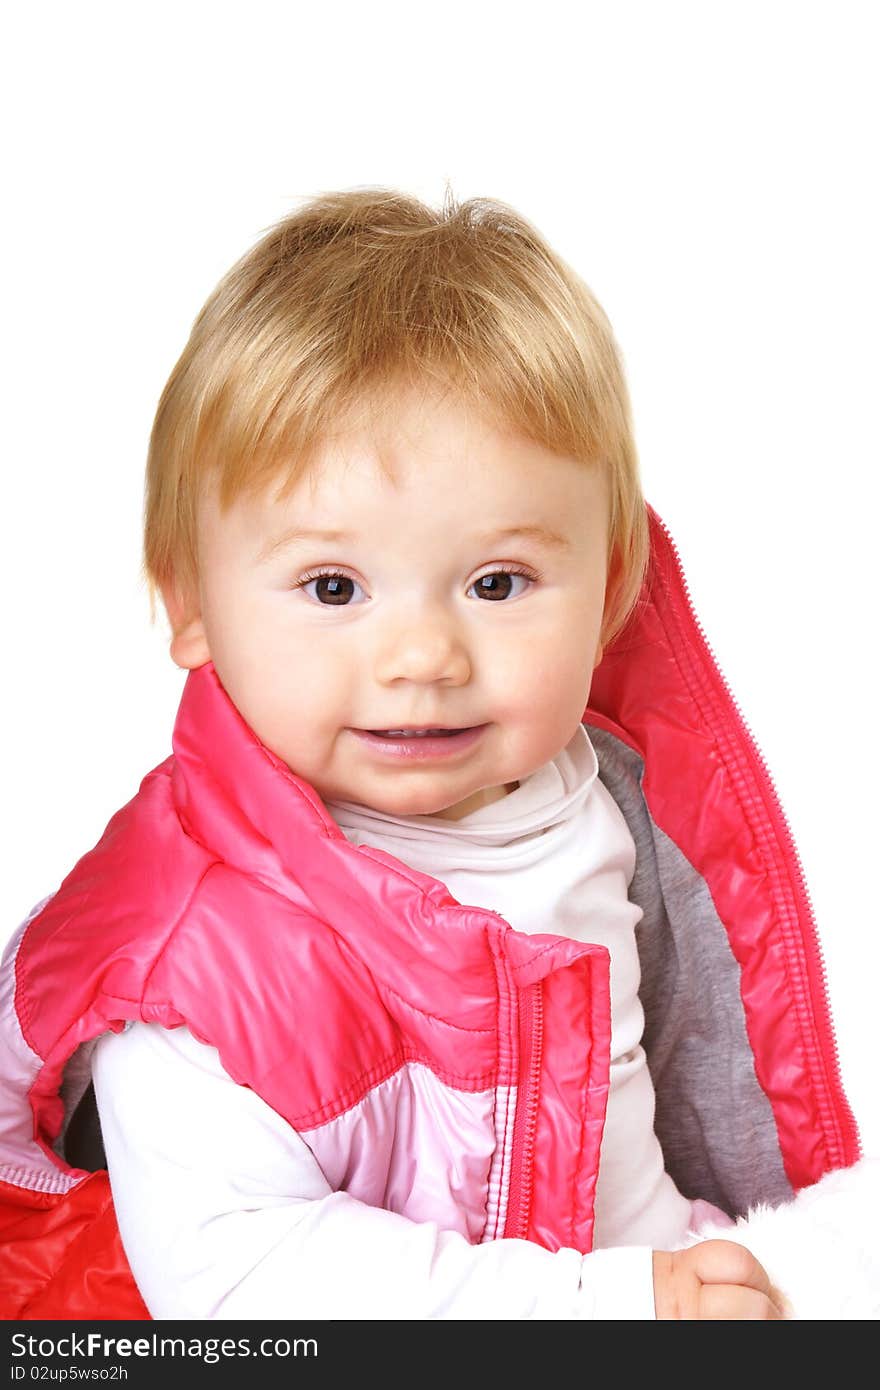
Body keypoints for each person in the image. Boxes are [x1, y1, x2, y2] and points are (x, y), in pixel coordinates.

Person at [0, 188, 863, 1321]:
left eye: (496, 583)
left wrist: (694, 1265)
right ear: (192, 603)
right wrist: (608, 1306)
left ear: (607, 592)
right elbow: (238, 1283)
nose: (421, 655)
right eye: (332, 587)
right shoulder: (195, 962)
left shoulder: (602, 797)